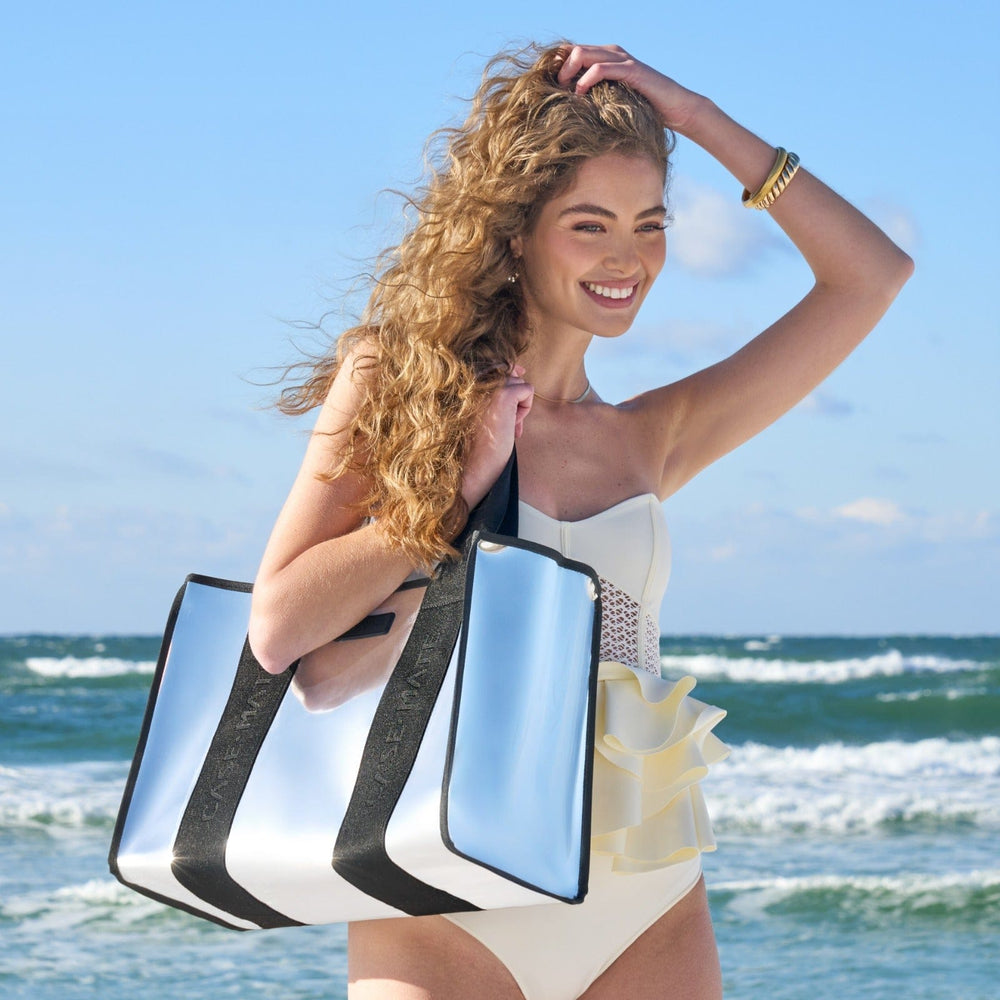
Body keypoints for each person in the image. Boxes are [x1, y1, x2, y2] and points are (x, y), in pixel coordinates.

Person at [248, 41, 912, 1000]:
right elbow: (280, 626)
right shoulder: (391, 385)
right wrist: (455, 491)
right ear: (516, 232)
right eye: (589, 224)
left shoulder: (652, 437)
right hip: (442, 900)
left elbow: (872, 276)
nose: (626, 258)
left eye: (649, 225)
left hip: (644, 900)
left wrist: (696, 116)